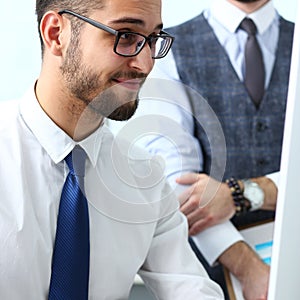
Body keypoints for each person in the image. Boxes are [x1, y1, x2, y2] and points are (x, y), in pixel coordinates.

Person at [0, 0, 225, 299]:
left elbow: (191, 289)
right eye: (126, 35)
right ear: (56, 34)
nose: (145, 64)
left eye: (153, 40)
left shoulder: (147, 180)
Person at [122, 0, 294, 299]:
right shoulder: (162, 51)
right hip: (205, 278)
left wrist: (239, 194)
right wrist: (248, 268)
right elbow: (179, 183)